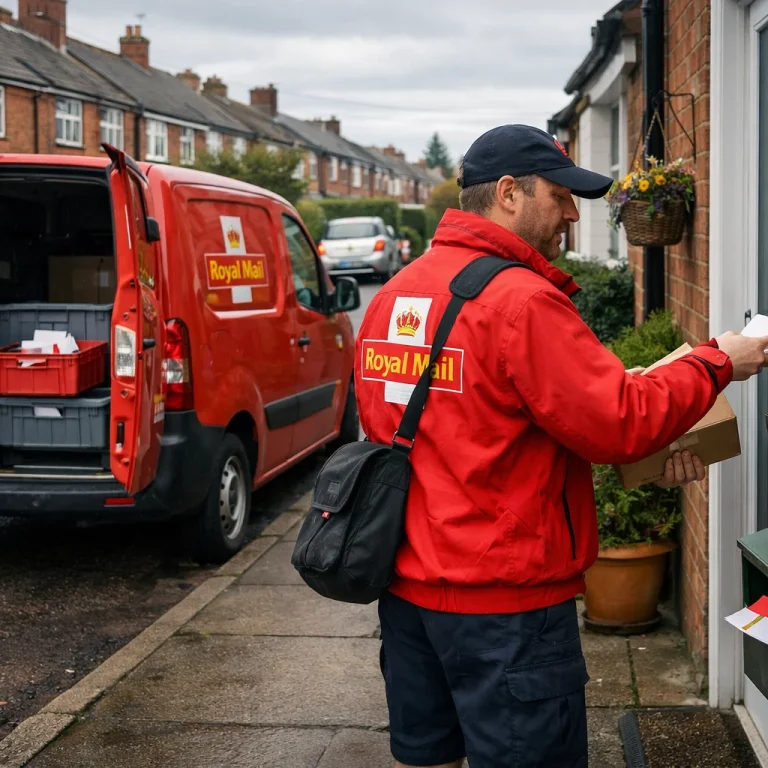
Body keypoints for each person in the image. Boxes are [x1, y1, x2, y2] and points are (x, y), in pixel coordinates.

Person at [353, 124, 768, 768]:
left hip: (408, 597)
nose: (575, 212)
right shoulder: (520, 300)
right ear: (511, 193)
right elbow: (618, 420)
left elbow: (463, 427)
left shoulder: (394, 296)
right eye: (563, 194)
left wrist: (654, 446)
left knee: (429, 757)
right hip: (505, 608)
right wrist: (719, 362)